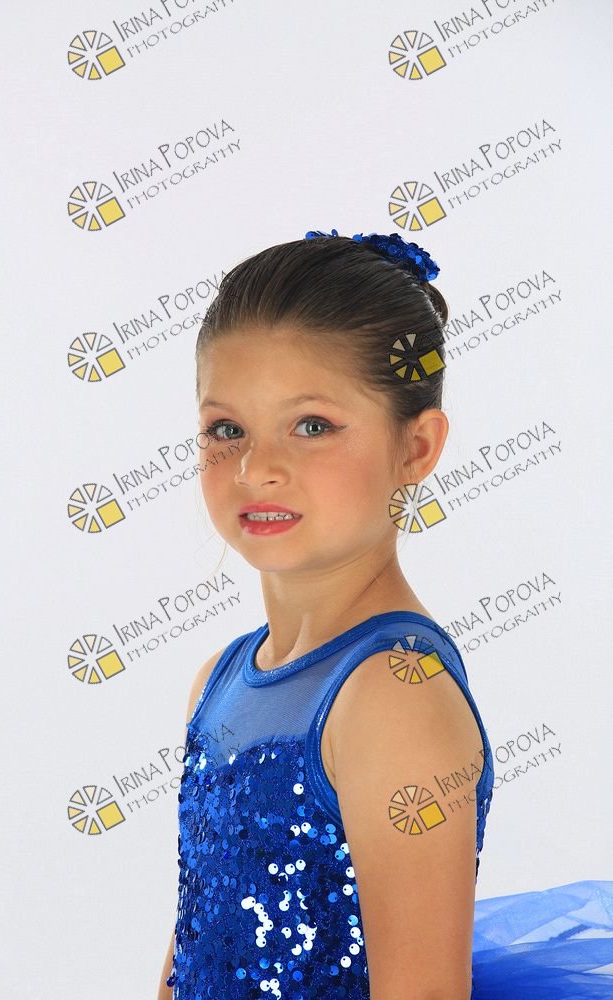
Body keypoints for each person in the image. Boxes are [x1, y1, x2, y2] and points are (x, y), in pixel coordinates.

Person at [157, 230, 613, 1000]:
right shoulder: (219, 680)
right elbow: (192, 954)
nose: (256, 468)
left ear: (416, 447)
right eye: (226, 429)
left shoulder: (391, 696)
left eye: (311, 426)